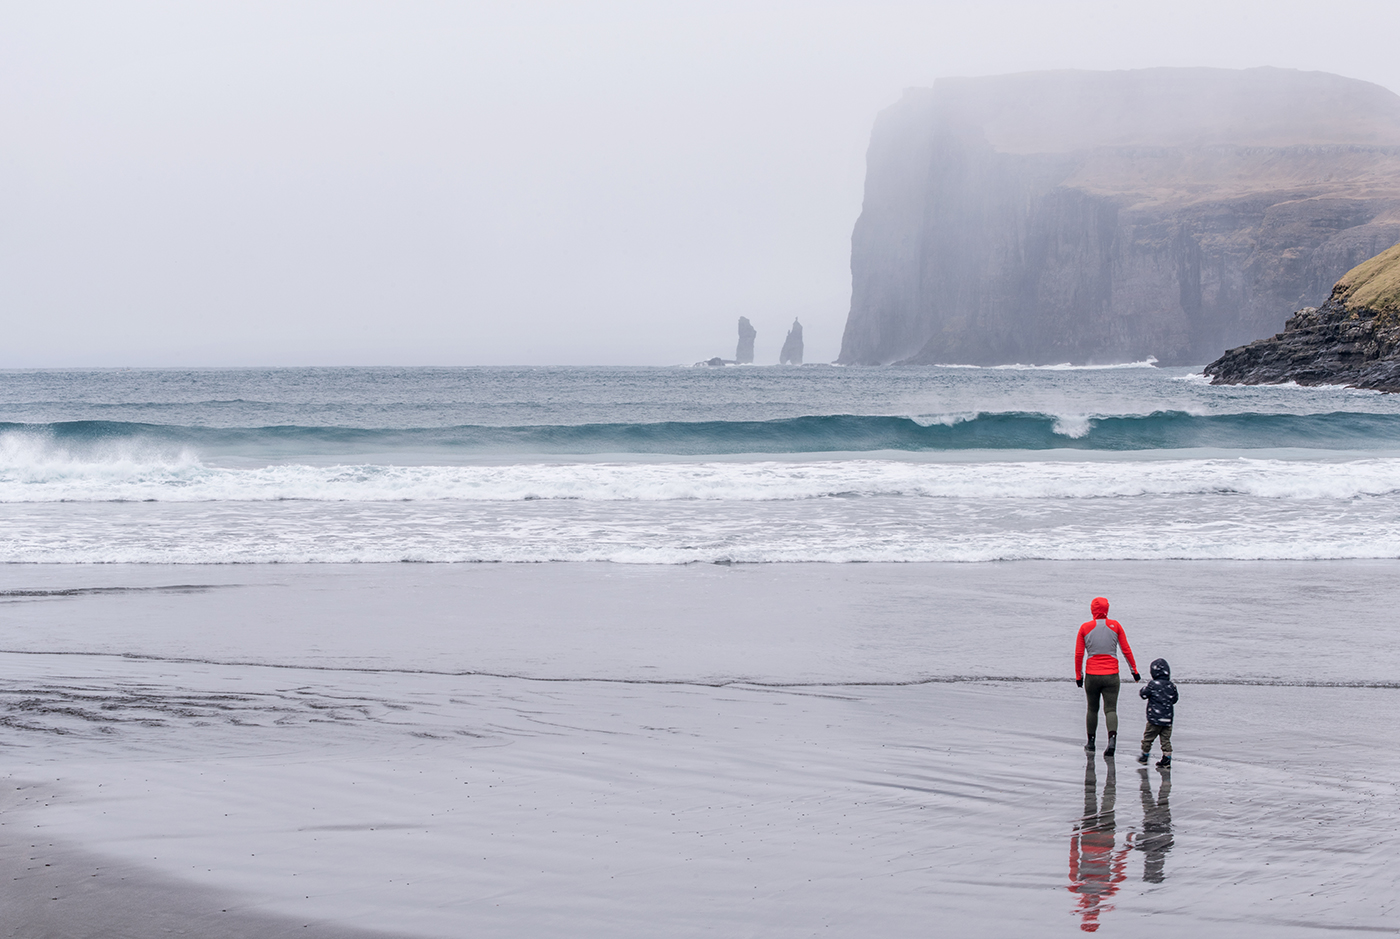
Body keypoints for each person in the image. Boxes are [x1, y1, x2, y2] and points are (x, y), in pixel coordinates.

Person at [1074, 597, 1140, 756]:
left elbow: (1079, 654)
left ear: (1092, 609)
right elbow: (1126, 650)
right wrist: (1134, 671)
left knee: (1092, 709)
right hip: (1111, 675)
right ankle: (1112, 740)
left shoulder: (1085, 628)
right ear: (1107, 609)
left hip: (1092, 675)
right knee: (1110, 710)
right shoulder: (1115, 626)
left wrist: (1078, 676)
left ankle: (1091, 743)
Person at [1136, 658, 1178, 768]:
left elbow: (1143, 694)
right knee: (1165, 740)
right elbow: (1174, 699)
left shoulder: (1153, 685)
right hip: (1167, 719)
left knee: (1148, 738)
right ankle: (1167, 758)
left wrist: (1144, 689)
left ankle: (1145, 755)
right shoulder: (1171, 686)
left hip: (1154, 719)